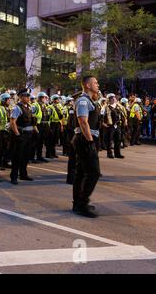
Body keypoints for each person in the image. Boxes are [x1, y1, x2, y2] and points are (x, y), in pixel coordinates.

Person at [72, 76, 101, 218]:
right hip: (85, 139)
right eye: (95, 82)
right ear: (88, 85)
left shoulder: (90, 100)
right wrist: (90, 142)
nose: (98, 84)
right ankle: (82, 204)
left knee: (81, 173)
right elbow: (83, 122)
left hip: (86, 139)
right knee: (93, 173)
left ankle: (77, 203)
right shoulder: (83, 101)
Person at [9, 89, 35, 185]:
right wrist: (17, 135)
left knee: (25, 156)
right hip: (21, 134)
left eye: (28, 96)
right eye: (26, 96)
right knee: (17, 157)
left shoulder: (29, 107)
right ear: (20, 97)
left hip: (28, 135)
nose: (28, 98)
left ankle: (23, 174)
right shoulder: (17, 108)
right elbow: (12, 122)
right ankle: (14, 176)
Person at [102, 93, 124, 159]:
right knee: (109, 140)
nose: (113, 99)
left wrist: (123, 122)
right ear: (108, 99)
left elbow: (123, 114)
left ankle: (117, 153)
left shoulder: (118, 106)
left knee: (118, 140)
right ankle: (109, 154)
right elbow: (101, 116)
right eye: (111, 98)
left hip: (117, 125)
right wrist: (104, 124)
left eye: (114, 97)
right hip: (110, 126)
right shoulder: (105, 107)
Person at [33, 92, 50, 163]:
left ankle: (39, 157)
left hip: (44, 126)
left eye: (46, 98)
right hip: (37, 126)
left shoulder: (45, 105)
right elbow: (32, 116)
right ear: (40, 98)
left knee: (41, 142)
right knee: (34, 142)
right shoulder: (35, 105)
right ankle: (31, 157)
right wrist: (34, 126)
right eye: (44, 97)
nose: (46, 99)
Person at [0, 93, 12, 170]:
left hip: (8, 131)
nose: (9, 101)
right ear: (4, 100)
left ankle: (5, 162)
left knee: (8, 148)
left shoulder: (9, 109)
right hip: (2, 131)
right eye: (8, 99)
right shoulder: (1, 109)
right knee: (2, 149)